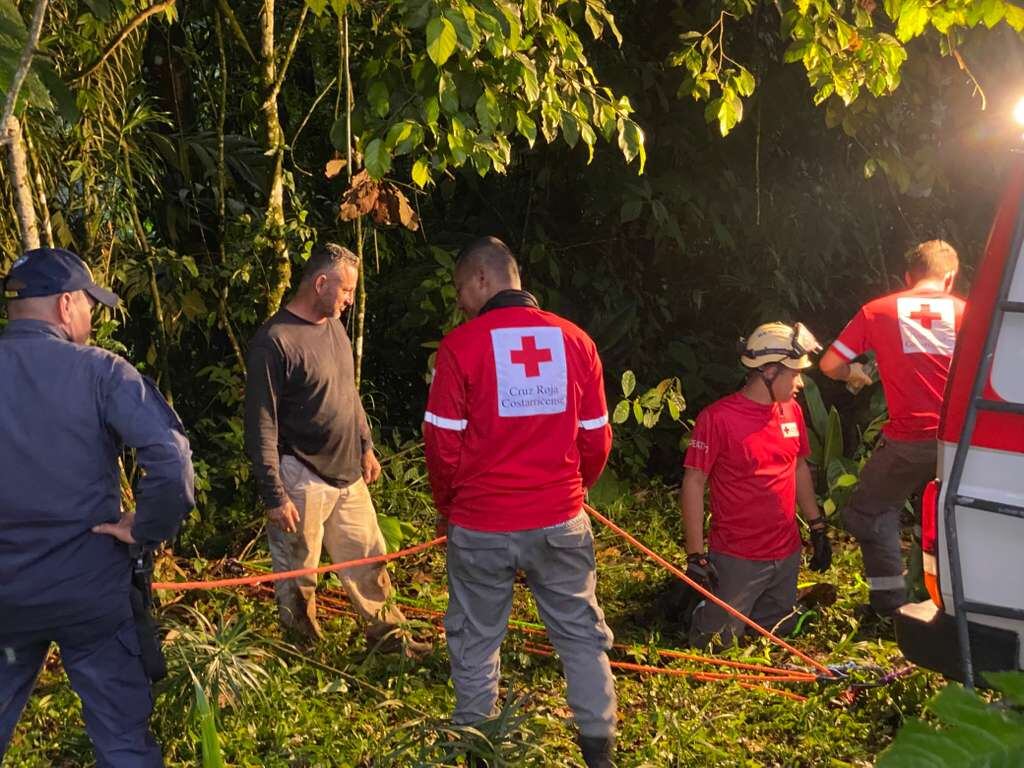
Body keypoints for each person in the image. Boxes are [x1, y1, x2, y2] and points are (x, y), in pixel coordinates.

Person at [423, 236, 617, 768]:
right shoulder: (576, 341)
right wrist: (573, 491)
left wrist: (449, 504)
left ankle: (479, 749)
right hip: (560, 520)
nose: (461, 301)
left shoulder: (460, 348)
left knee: (475, 639)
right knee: (580, 633)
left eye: (461, 288)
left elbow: (442, 446)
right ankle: (599, 750)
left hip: (481, 525)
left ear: (483, 279)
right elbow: (597, 439)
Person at [0, 247, 195, 766]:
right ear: (66, 306)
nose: (91, 315)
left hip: (5, 597)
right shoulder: (102, 372)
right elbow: (170, 460)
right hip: (88, 592)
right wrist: (145, 529)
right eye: (89, 303)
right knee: (123, 742)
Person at [244, 242, 427, 654]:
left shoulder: (334, 327)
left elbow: (348, 392)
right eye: (345, 291)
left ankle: (390, 640)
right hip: (300, 472)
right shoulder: (274, 342)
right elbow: (261, 425)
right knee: (298, 571)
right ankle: (302, 650)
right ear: (321, 283)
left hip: (347, 472)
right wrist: (274, 494)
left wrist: (365, 445)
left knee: (368, 559)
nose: (349, 300)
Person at [820, 239, 966, 616]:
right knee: (959, 518)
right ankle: (956, 606)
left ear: (907, 277)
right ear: (949, 278)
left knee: (868, 512)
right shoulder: (971, 314)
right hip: (961, 443)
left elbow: (829, 364)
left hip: (907, 442)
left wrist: (854, 373)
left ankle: (889, 608)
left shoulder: (877, 311)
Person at [682, 322, 832, 647]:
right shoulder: (718, 418)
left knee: (777, 633)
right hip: (740, 555)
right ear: (768, 370)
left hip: (787, 552)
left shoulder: (791, 411)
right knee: (713, 645)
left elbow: (798, 467)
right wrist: (695, 554)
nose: (800, 383)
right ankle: (698, 609)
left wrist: (817, 525)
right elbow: (694, 482)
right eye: (794, 374)